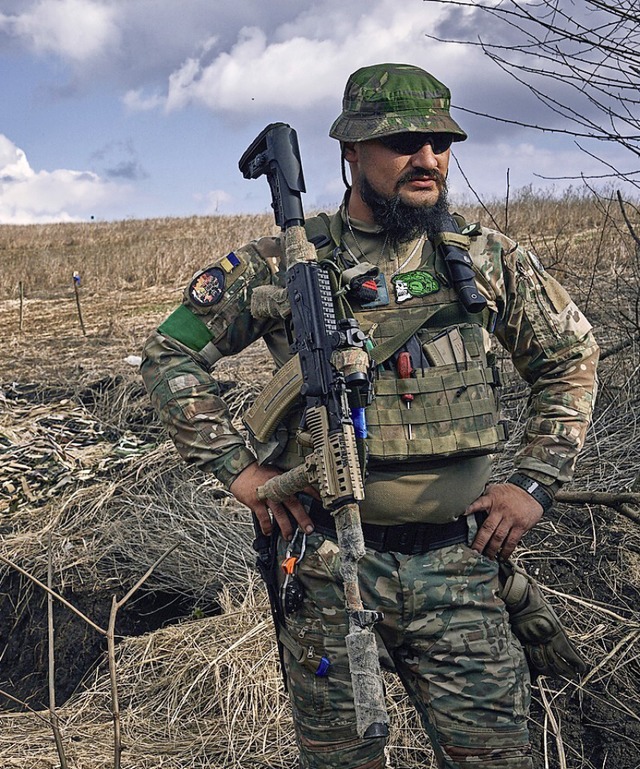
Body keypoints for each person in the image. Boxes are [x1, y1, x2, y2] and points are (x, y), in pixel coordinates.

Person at [141, 63, 598, 769]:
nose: (427, 160)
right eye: (403, 143)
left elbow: (570, 354)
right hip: (329, 569)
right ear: (350, 152)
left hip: (460, 564)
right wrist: (240, 471)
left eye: (440, 144)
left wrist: (534, 483)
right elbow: (170, 352)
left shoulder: (482, 259)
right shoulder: (283, 263)